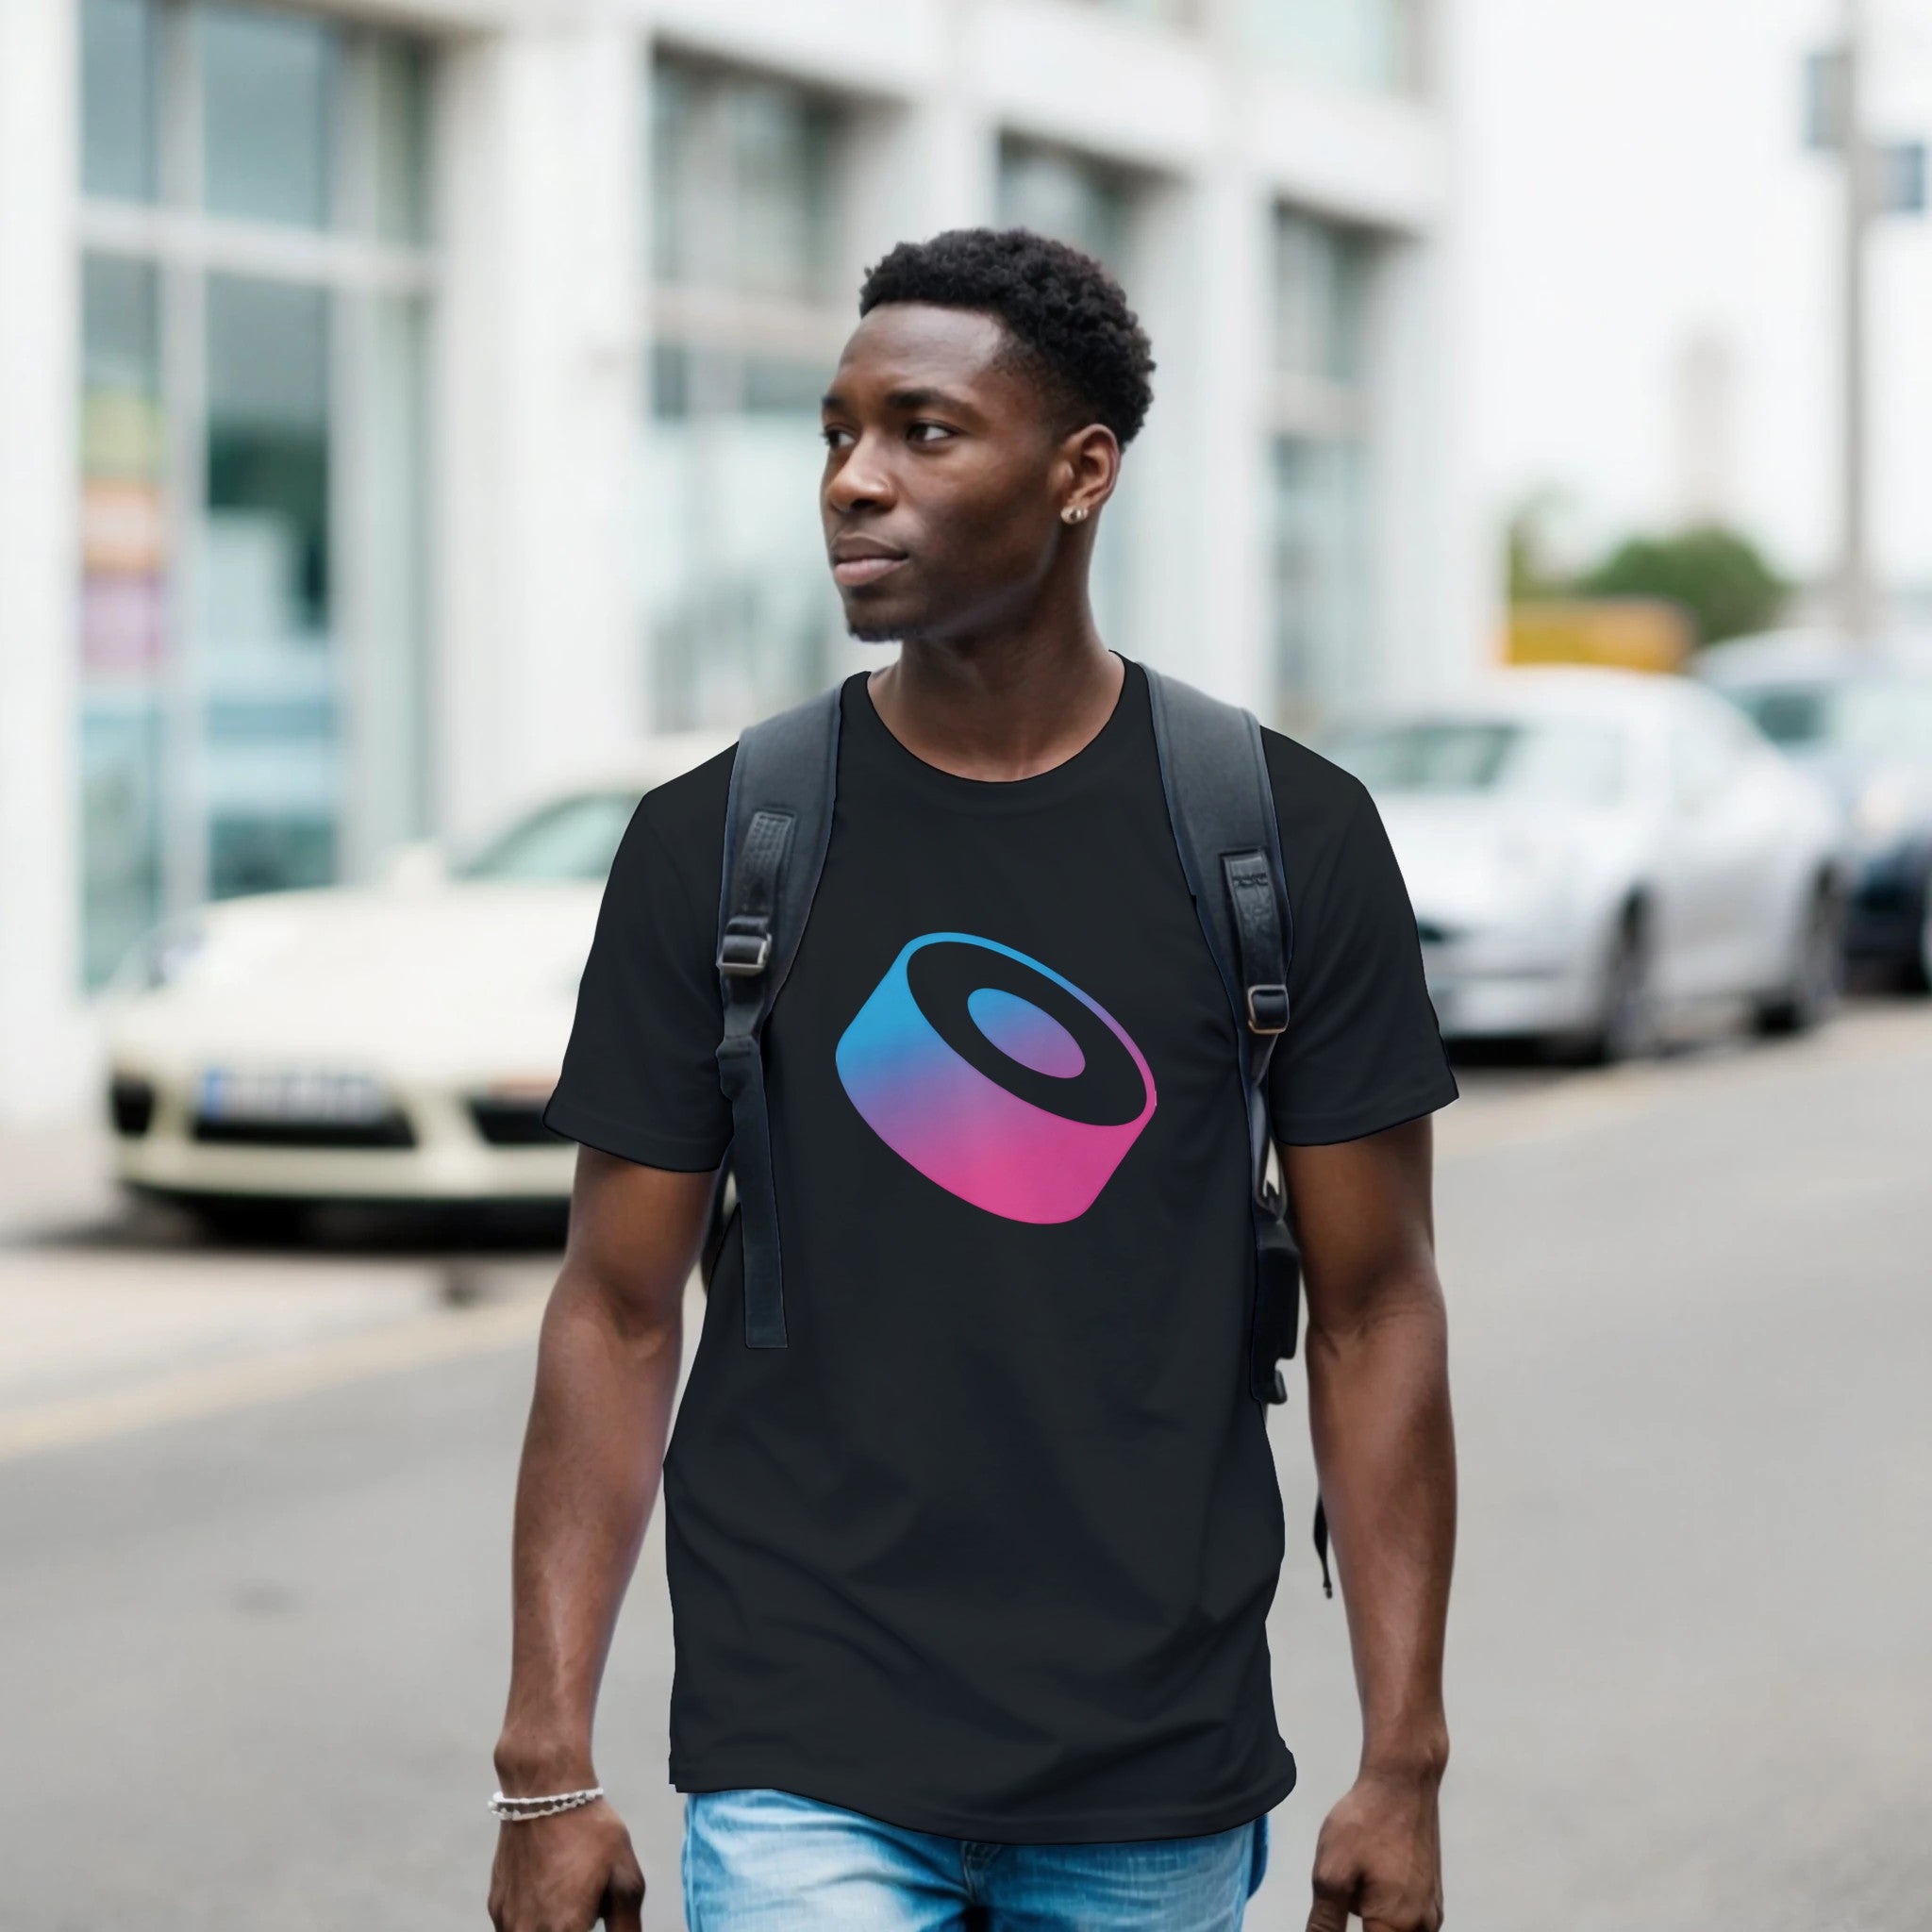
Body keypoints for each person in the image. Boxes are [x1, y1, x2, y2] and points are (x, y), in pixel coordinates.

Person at [488, 226, 1457, 1932]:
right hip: (804, 1738)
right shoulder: (717, 843)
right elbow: (617, 1312)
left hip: (1153, 1756)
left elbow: (1376, 1310)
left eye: (923, 432)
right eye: (836, 433)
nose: (852, 481)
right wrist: (545, 1763)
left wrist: (1405, 1760)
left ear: (1082, 473)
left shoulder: (1284, 840)